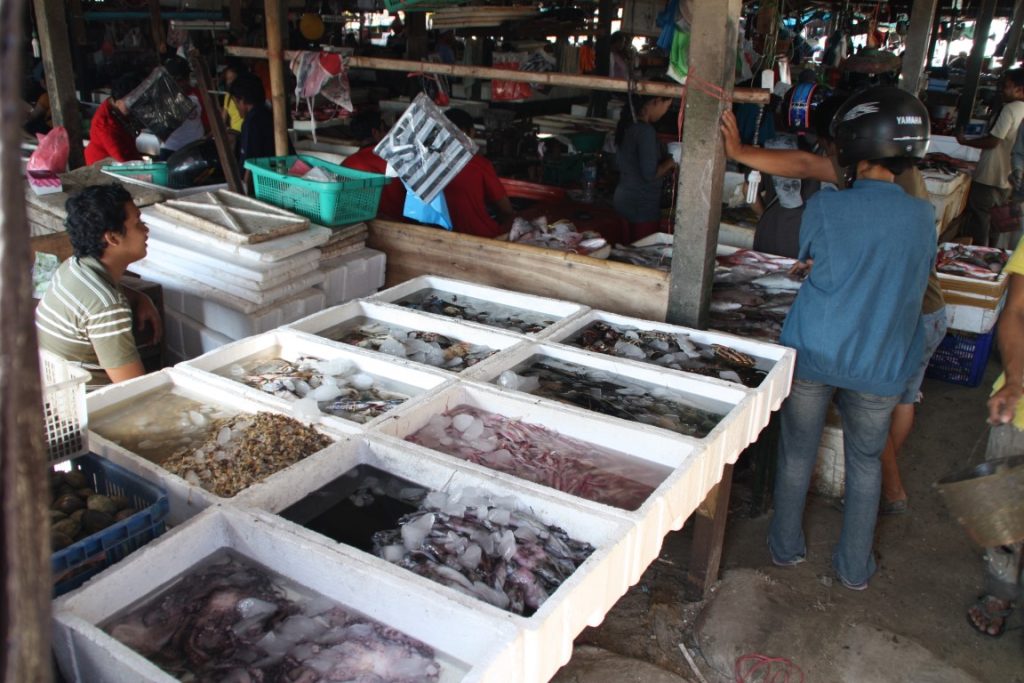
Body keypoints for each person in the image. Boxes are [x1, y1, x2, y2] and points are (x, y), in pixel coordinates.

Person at [723, 99, 949, 516]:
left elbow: (806, 167)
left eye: (831, 146)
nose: (828, 155)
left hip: (859, 328)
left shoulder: (839, 198)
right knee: (867, 454)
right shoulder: (919, 206)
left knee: (799, 455)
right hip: (888, 337)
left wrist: (738, 153)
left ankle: (788, 545)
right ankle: (861, 556)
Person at [766, 86, 935, 591]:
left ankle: (785, 548)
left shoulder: (828, 206)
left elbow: (811, 258)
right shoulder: (922, 216)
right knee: (866, 463)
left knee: (797, 453)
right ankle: (854, 568)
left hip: (815, 351)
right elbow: (912, 276)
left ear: (851, 150)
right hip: (881, 361)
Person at [35, 185, 162, 388]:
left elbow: (94, 301)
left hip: (56, 390)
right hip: (87, 407)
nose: (146, 230)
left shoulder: (73, 266)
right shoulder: (108, 306)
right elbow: (134, 388)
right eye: (138, 223)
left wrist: (139, 297)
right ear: (112, 238)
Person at [966, 235, 1024, 637]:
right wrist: (1016, 381)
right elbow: (1016, 310)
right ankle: (1000, 590)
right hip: (1020, 405)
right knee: (1002, 510)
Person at [957, 69, 1024, 247]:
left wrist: (965, 142)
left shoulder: (1010, 109)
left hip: (990, 174)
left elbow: (994, 141)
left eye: (1008, 86)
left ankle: (980, 251)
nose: (1003, 89)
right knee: (998, 218)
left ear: (1020, 89)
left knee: (981, 216)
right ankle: (992, 251)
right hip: (1008, 176)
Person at [613, 92, 677, 242]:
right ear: (656, 101)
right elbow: (650, 174)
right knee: (642, 254)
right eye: (666, 106)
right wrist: (673, 160)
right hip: (641, 205)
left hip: (623, 199)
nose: (665, 112)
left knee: (624, 253)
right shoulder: (645, 131)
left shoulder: (627, 125)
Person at [442, 108, 515, 237]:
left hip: (438, 237)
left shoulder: (427, 165)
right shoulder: (479, 164)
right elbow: (506, 210)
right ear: (471, 132)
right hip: (480, 236)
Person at [341, 109, 406, 219]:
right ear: (375, 132)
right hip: (401, 223)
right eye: (384, 129)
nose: (386, 133)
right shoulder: (397, 159)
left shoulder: (346, 164)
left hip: (363, 223)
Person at [84, 72, 144, 165]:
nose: (134, 106)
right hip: (103, 165)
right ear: (117, 101)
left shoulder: (115, 107)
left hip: (124, 156)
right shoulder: (105, 124)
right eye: (130, 103)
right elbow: (122, 158)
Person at [159, 56, 208, 160]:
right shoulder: (160, 96)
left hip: (195, 150)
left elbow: (207, 122)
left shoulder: (198, 95)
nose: (181, 83)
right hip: (170, 150)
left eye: (183, 79)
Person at [229, 73, 276, 183]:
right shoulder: (267, 113)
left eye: (235, 102)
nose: (236, 107)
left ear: (242, 100)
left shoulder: (251, 122)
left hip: (265, 183)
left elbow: (249, 164)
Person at [220, 58, 247, 133]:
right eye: (228, 79)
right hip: (234, 134)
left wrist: (234, 98)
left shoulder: (244, 94)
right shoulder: (228, 96)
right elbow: (223, 119)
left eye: (232, 79)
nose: (229, 83)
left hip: (245, 132)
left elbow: (243, 115)